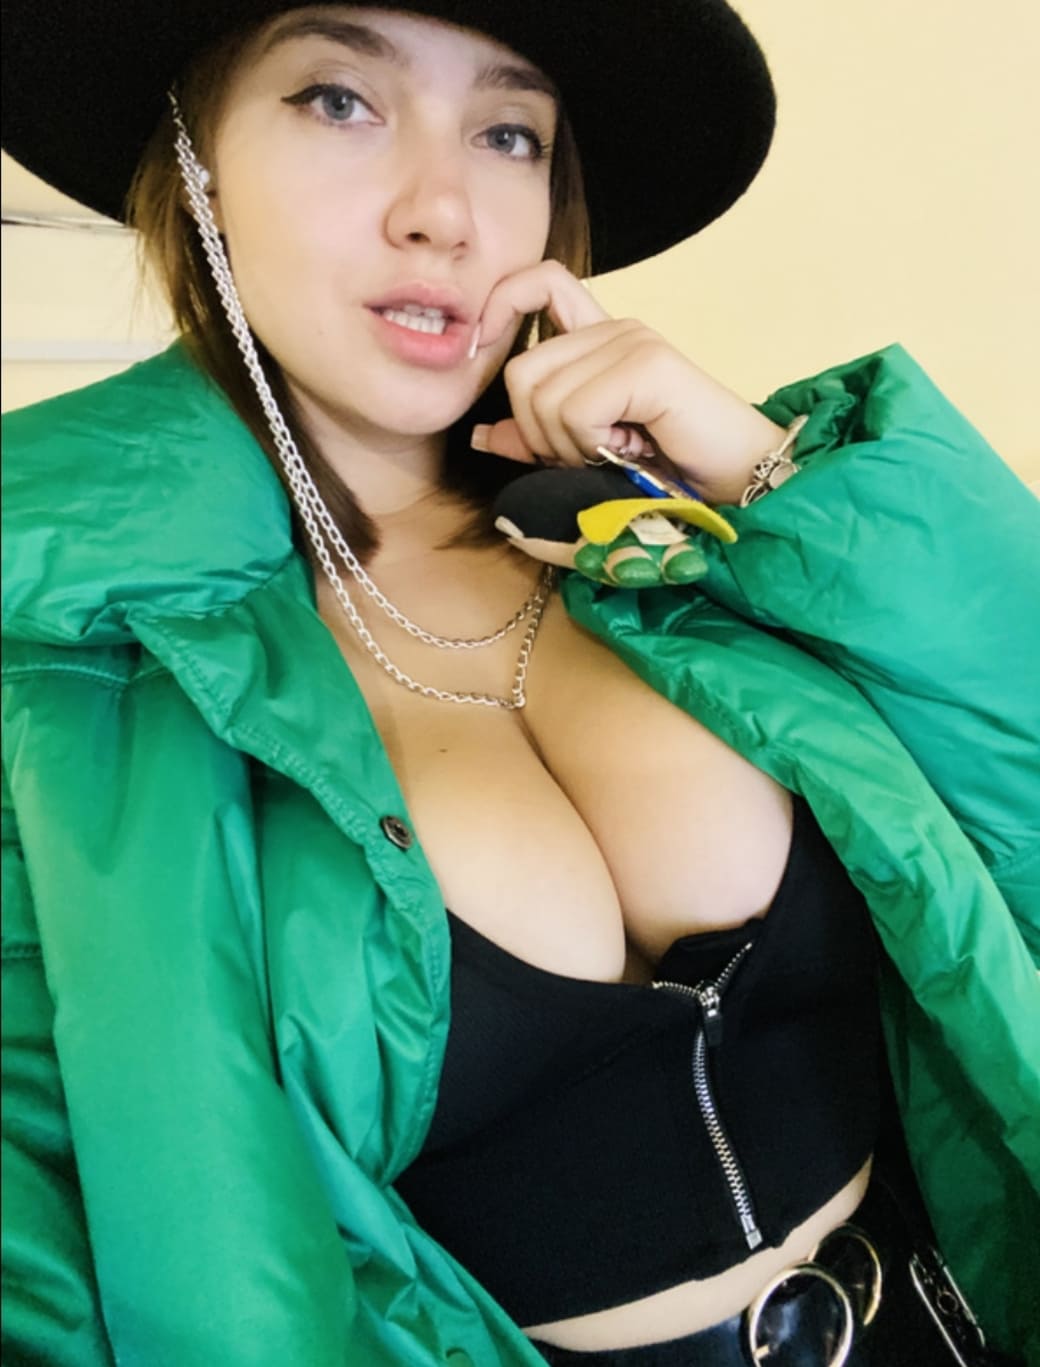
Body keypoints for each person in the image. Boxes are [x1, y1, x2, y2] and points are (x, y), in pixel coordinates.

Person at [1, 2, 1037, 1364]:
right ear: (192, 161)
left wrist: (761, 471)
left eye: (507, 134)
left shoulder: (668, 538)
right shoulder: (60, 653)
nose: (444, 213)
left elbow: (1018, 779)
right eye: (339, 101)